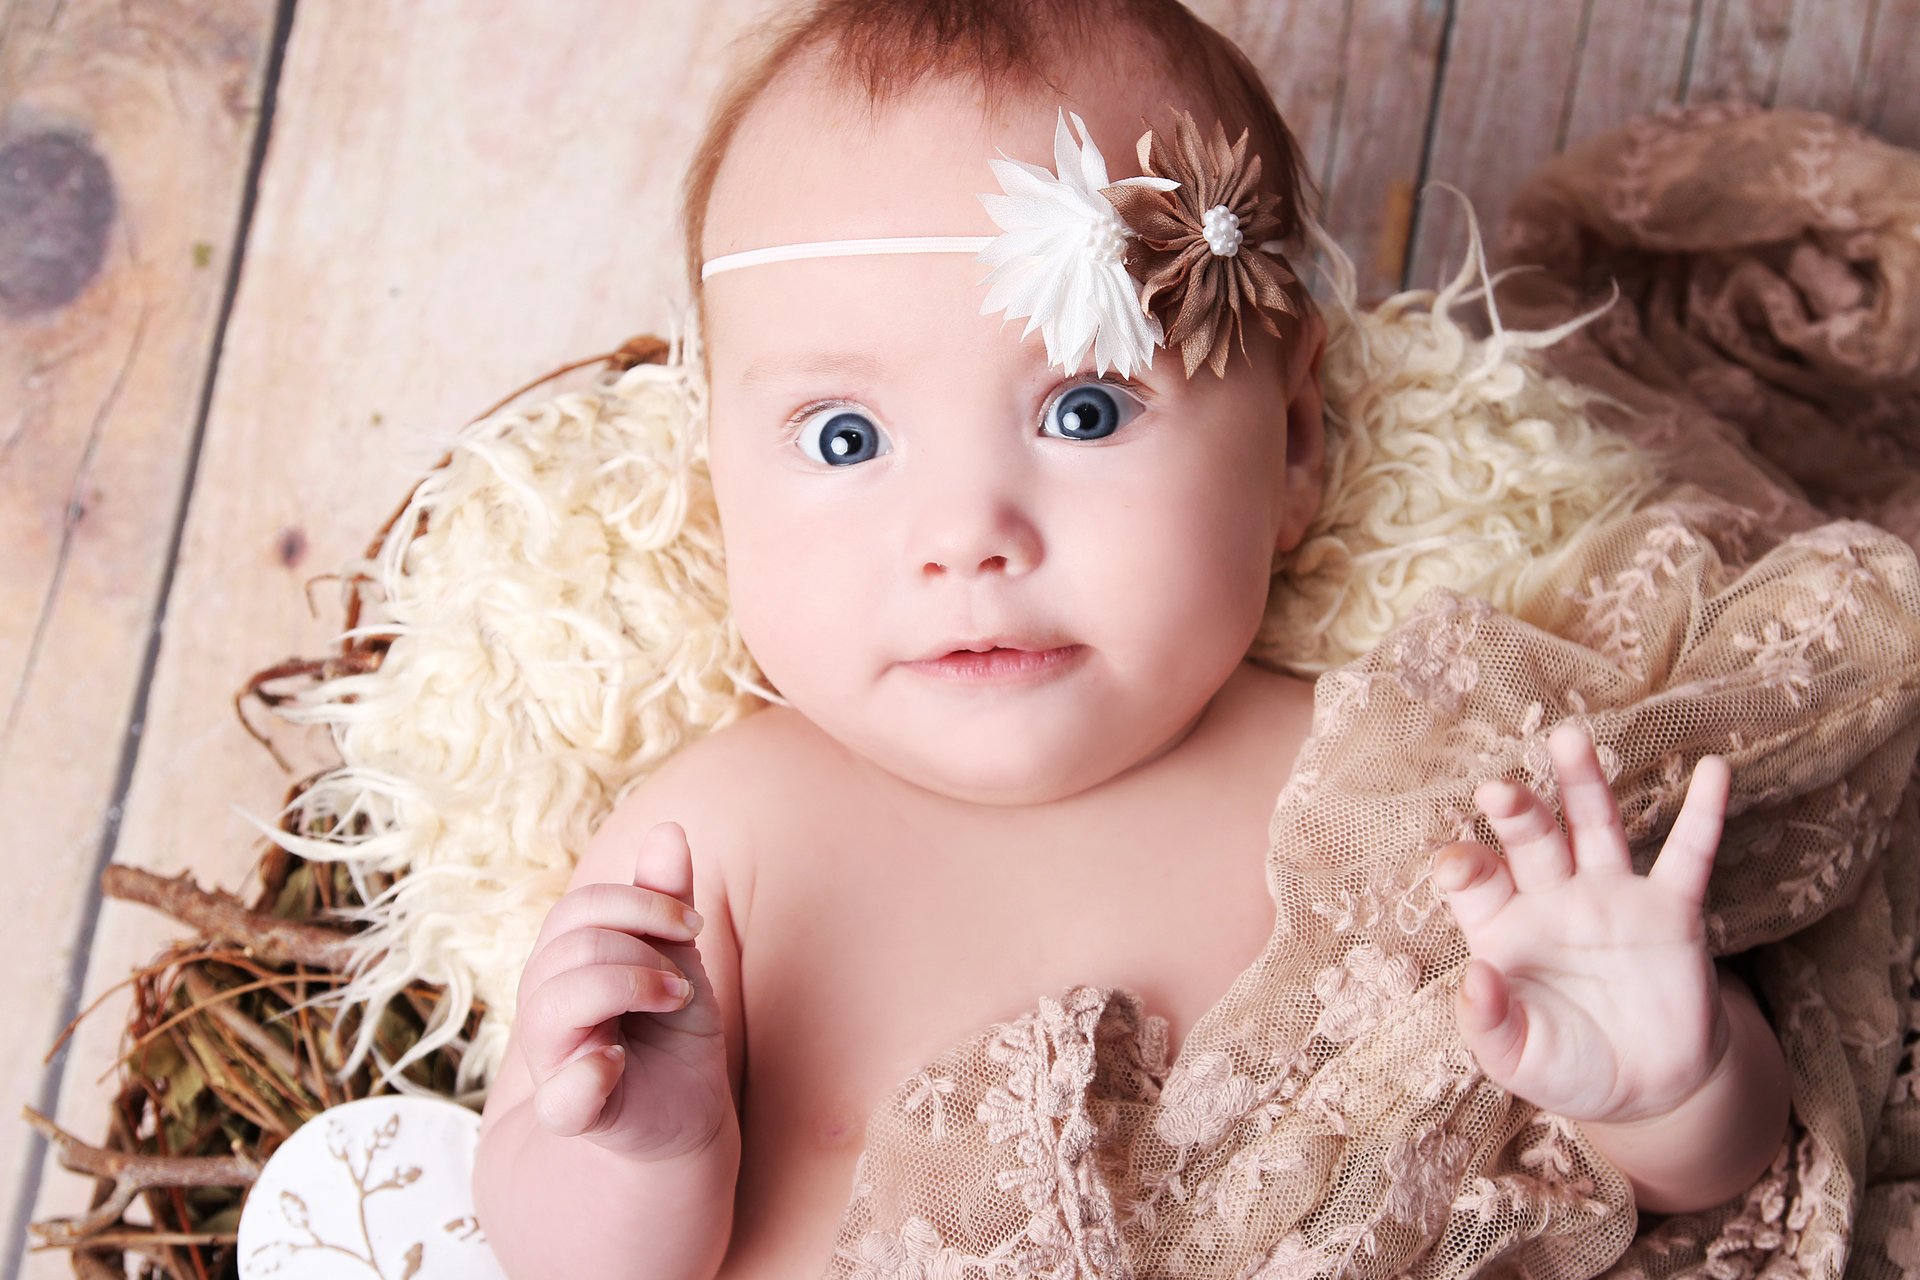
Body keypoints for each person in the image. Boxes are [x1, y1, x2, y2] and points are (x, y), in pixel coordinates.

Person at [469, 3, 1799, 1276]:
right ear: (716, 478)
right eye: (844, 437)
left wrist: (1667, 1088)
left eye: (1086, 411)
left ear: (1291, 448)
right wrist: (641, 1144)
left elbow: (1706, 1193)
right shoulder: (706, 852)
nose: (965, 535)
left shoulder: (1392, 783)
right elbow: (558, 1253)